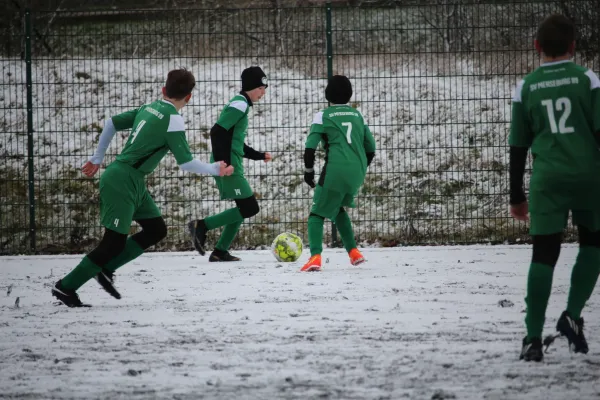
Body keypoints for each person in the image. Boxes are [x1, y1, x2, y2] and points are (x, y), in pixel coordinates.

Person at [51, 68, 233, 307]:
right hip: (122, 180)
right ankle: (66, 286)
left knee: (156, 229)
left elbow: (111, 123)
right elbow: (186, 163)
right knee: (113, 242)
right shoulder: (173, 119)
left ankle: (106, 269)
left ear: (163, 90)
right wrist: (214, 168)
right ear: (189, 98)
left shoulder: (150, 107)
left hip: (131, 179)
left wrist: (97, 157)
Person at [509, 14, 600, 361]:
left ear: (537, 47)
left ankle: (532, 339)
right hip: (589, 175)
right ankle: (572, 315)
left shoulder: (527, 86)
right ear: (573, 46)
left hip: (547, 179)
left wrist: (516, 194)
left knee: (544, 253)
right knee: (593, 242)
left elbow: (518, 145)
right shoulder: (588, 80)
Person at [188, 66, 271, 262]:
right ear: (251, 87)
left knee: (242, 207)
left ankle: (220, 251)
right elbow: (217, 132)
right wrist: (222, 163)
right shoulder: (240, 104)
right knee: (250, 208)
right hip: (227, 163)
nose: (263, 92)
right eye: (261, 87)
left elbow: (235, 140)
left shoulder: (241, 104)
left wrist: (259, 156)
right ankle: (201, 225)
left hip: (232, 161)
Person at [300, 75, 376, 272]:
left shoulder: (323, 115)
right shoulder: (357, 115)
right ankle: (354, 252)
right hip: (357, 170)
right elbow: (371, 147)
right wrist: (359, 168)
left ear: (327, 95)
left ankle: (315, 256)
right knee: (337, 208)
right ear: (349, 95)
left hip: (335, 169)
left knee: (316, 213)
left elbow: (310, 148)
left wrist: (309, 172)